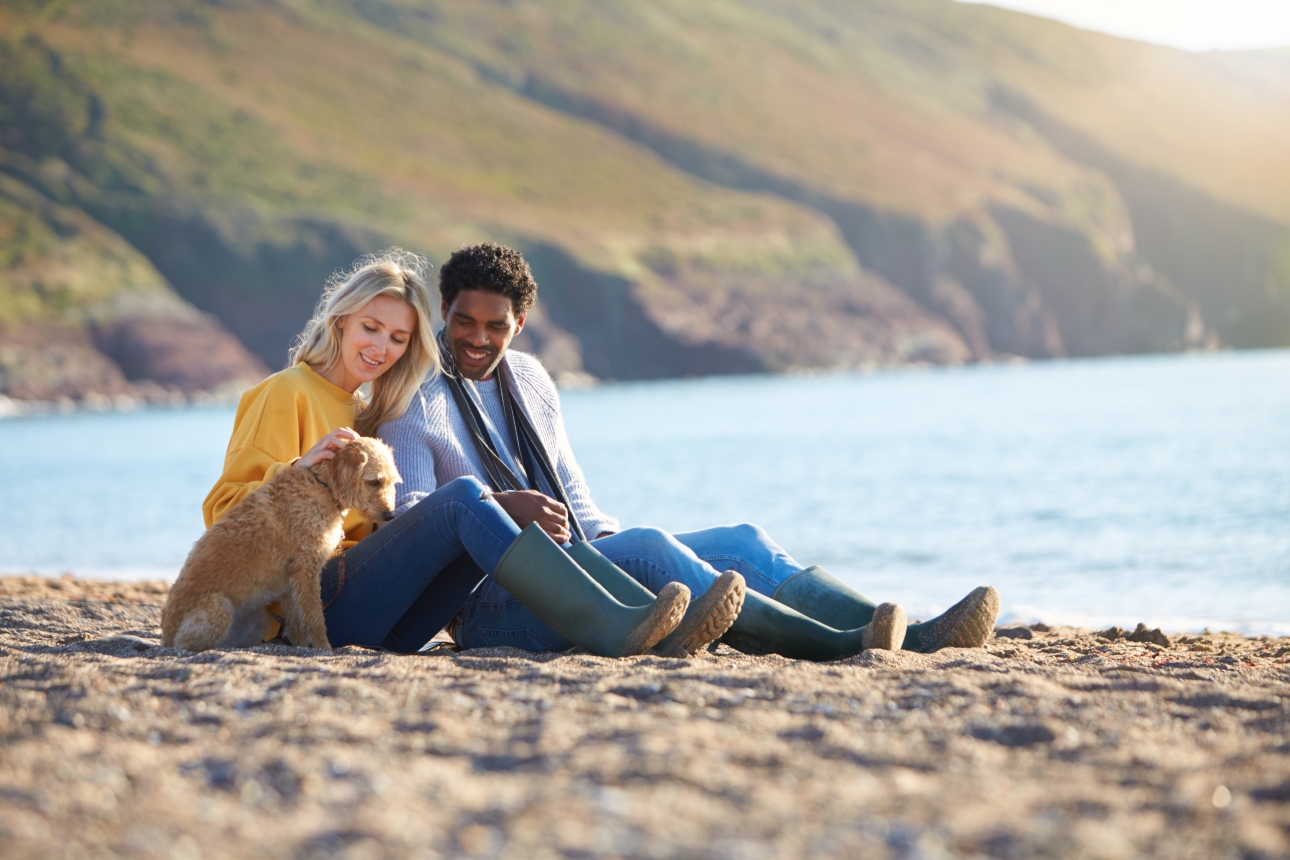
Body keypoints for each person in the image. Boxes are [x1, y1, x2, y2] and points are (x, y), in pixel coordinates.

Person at [379, 243, 1000, 661]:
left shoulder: (532, 380)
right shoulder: (415, 393)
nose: (477, 339)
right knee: (651, 548)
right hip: (491, 605)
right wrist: (504, 507)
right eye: (464, 322)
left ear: (520, 323)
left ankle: (906, 634)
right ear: (445, 310)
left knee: (742, 541)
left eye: (496, 326)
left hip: (577, 568)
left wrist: (614, 556)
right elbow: (408, 516)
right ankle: (841, 644)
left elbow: (580, 505)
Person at [201, 249, 722, 657]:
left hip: (390, 626)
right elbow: (222, 511)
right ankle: (607, 618)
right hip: (312, 606)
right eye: (370, 328)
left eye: (399, 338)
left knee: (464, 523)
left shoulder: (363, 408)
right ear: (340, 321)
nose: (381, 348)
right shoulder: (286, 391)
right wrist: (299, 469)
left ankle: (626, 612)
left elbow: (381, 528)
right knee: (463, 498)